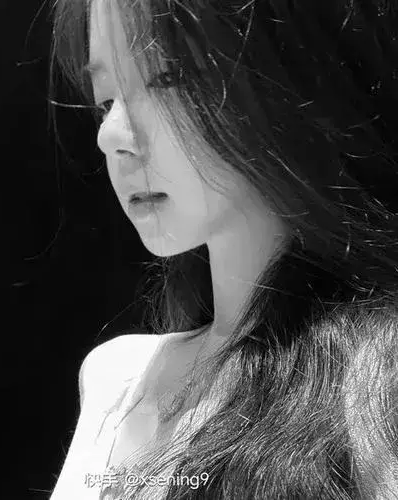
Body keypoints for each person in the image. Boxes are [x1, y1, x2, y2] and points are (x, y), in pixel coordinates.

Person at [48, 0, 398, 498]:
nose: (110, 135)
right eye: (105, 100)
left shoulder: (374, 386)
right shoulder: (115, 381)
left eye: (168, 80)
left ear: (286, 75)